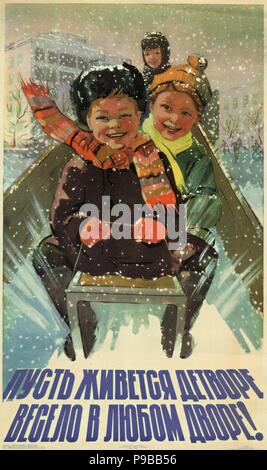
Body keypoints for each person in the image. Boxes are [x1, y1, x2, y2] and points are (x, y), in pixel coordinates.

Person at [142, 55, 222, 358]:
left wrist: (184, 244)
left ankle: (176, 328)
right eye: (167, 108)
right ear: (152, 106)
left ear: (197, 119)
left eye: (186, 113)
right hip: (127, 229)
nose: (174, 120)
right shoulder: (132, 141)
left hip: (172, 236)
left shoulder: (196, 157)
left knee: (205, 260)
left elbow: (204, 201)